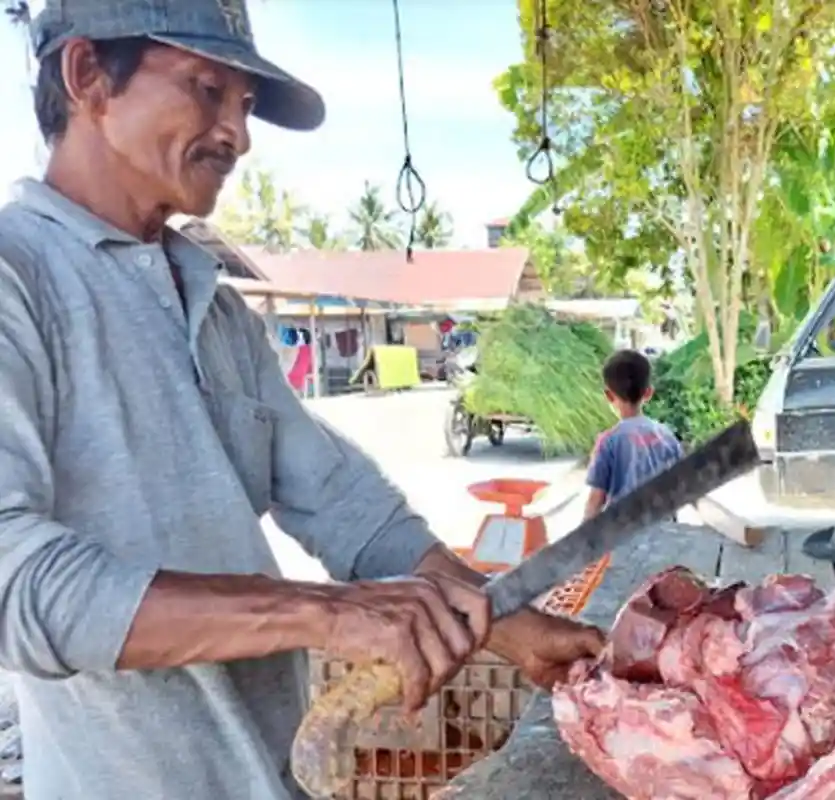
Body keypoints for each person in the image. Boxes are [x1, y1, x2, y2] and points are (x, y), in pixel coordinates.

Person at [0, 2, 602, 798]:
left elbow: (348, 505)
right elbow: (18, 587)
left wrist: (507, 623)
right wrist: (326, 612)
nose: (239, 136)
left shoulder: (213, 305)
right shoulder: (19, 281)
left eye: (245, 106)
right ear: (86, 77)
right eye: (208, 89)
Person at [584, 350, 685, 520]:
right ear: (648, 393)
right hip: (665, 535)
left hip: (623, 537)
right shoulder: (668, 437)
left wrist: (582, 541)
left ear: (609, 396)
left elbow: (596, 500)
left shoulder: (608, 441)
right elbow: (681, 487)